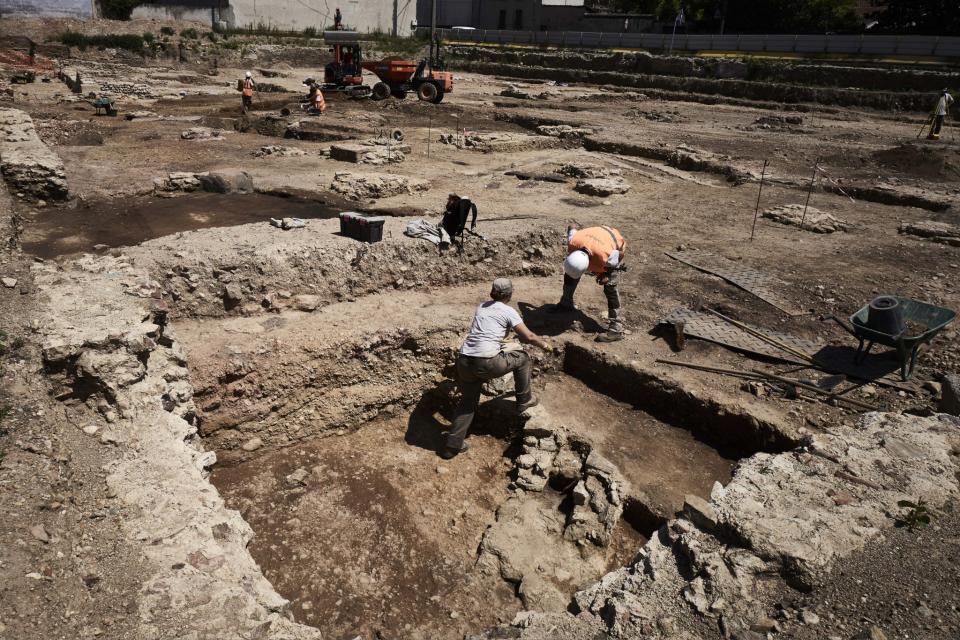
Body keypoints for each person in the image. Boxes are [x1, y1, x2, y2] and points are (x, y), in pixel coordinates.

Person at [443, 278, 551, 460]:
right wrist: (545, 346)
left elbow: (487, 331)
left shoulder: (482, 306)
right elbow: (529, 337)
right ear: (509, 294)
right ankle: (524, 399)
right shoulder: (509, 311)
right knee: (523, 358)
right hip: (485, 362)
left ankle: (451, 447)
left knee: (467, 402)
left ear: (492, 292)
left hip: (464, 360)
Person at [551, 223, 626, 343]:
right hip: (593, 237)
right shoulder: (573, 241)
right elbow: (572, 225)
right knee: (570, 276)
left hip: (613, 242)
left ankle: (616, 329)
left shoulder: (607, 256)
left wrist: (606, 274)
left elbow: (621, 255)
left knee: (610, 288)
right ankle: (566, 303)